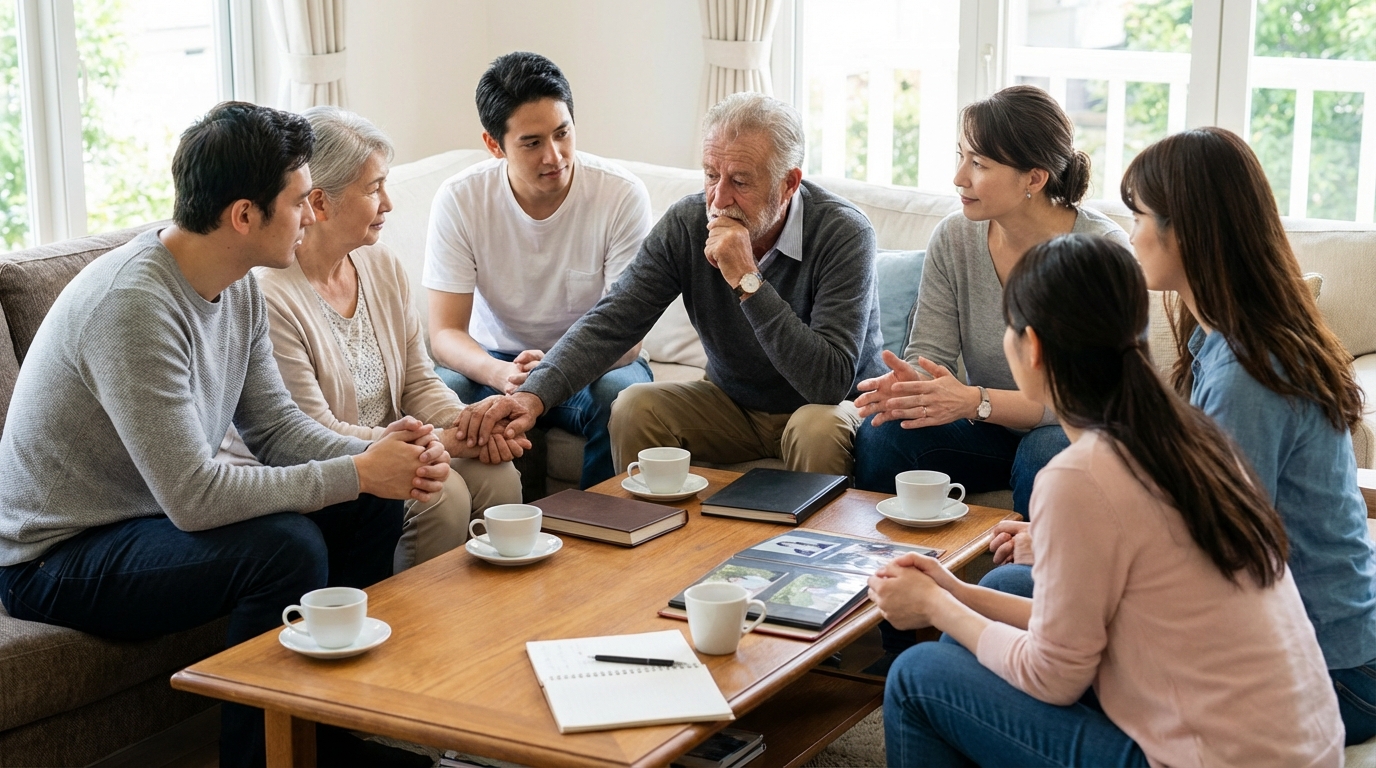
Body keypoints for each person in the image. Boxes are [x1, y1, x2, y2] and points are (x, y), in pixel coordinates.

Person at [0, 102, 449, 768]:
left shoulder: (237, 285)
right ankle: (261, 759)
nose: (309, 215)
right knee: (284, 547)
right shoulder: (134, 307)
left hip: (145, 517)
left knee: (370, 502)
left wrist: (382, 458)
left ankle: (334, 736)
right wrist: (357, 470)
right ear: (244, 215)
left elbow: (276, 429)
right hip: (55, 556)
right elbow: (194, 497)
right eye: (297, 202)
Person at [870, 234, 1342, 766]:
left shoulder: (1080, 476)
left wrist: (935, 607)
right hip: (1301, 744)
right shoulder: (1188, 431)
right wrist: (955, 591)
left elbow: (1053, 676)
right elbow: (1100, 630)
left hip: (1215, 757)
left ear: (1033, 347)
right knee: (1001, 586)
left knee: (917, 676)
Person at [454, 92, 884, 479]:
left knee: (815, 427)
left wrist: (746, 279)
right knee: (634, 407)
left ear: (788, 183)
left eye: (740, 181)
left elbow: (828, 383)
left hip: (825, 409)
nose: (718, 199)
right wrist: (532, 397)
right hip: (732, 405)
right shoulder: (688, 222)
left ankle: (813, 544)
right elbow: (613, 320)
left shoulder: (843, 232)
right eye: (711, 175)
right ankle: (646, 537)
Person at [1120, 126, 1376, 744]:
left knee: (972, 658)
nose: (1131, 235)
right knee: (1017, 591)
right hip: (1300, 644)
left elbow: (1218, 556)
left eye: (1140, 217)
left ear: (1187, 232)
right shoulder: (1223, 343)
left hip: (1331, 674)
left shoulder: (1248, 374)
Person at [219, 106, 525, 571]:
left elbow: (418, 381)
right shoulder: (269, 295)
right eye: (373, 188)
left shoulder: (381, 264)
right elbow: (314, 433)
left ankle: (489, 610)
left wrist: (472, 425)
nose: (388, 203)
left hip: (394, 446)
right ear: (319, 203)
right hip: (315, 469)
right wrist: (444, 442)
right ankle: (417, 615)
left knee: (496, 472)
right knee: (440, 493)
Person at [852, 85, 1127, 517]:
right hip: (988, 429)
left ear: (1034, 178)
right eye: (961, 157)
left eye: (978, 163)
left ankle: (1023, 559)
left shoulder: (1101, 249)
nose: (959, 177)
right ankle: (888, 559)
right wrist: (909, 389)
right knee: (883, 434)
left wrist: (975, 400)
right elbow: (930, 356)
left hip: (1072, 429)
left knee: (1045, 454)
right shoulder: (955, 236)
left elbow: (1093, 402)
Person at [423, 51, 653, 488]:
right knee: (446, 391)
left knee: (621, 395)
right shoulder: (461, 199)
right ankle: (505, 519)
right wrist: (499, 374)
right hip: (498, 365)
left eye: (562, 133)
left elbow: (628, 336)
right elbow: (445, 333)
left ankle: (599, 520)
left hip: (593, 364)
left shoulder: (620, 195)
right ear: (494, 145)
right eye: (532, 143)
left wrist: (553, 373)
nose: (555, 156)